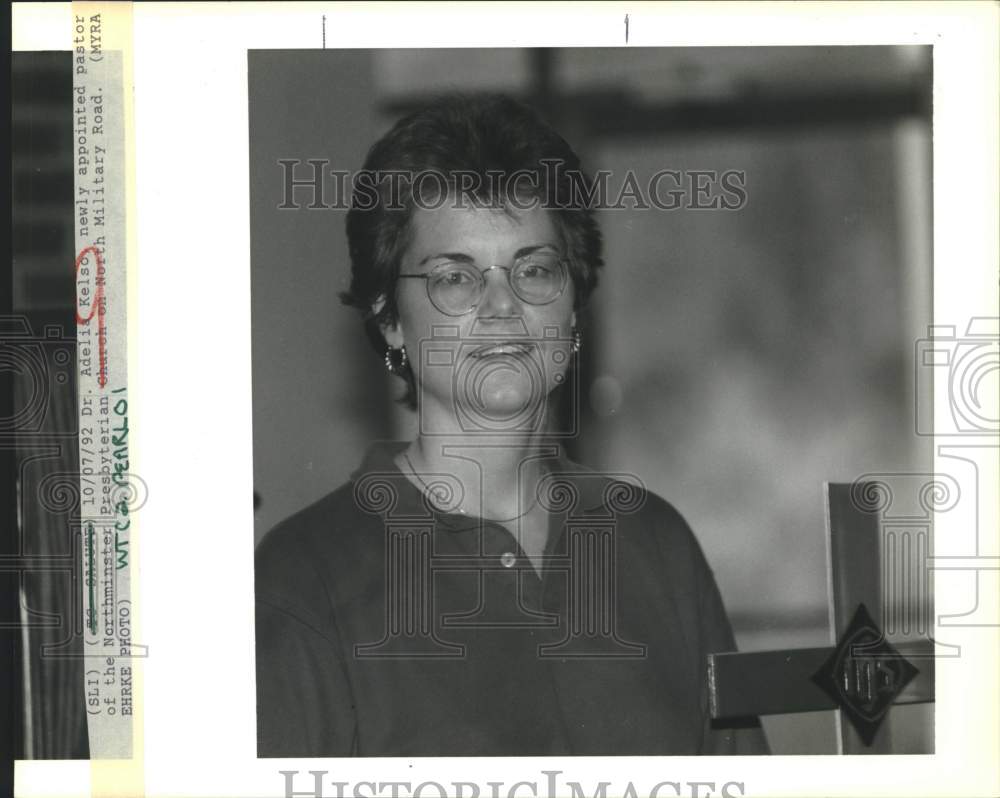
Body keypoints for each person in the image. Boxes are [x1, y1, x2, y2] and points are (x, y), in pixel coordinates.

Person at [255, 94, 768, 756]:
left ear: (574, 312)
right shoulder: (304, 578)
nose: (503, 306)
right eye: (455, 278)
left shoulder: (657, 546)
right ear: (389, 320)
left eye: (534, 269)